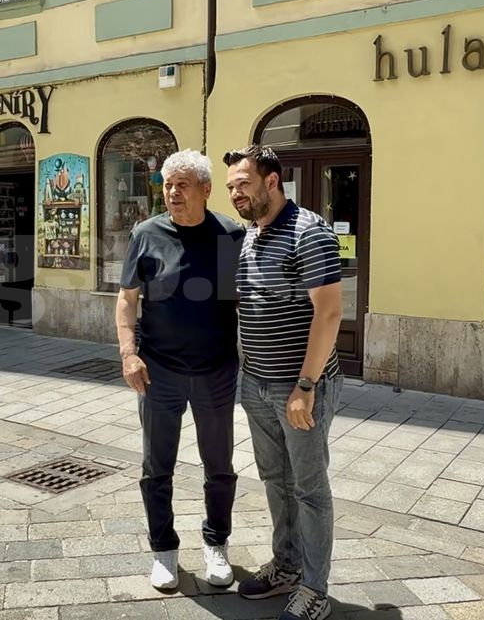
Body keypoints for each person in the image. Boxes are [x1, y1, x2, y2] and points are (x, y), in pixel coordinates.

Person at [115, 149, 245, 591]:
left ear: (206, 190)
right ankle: (164, 551)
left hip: (216, 371)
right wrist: (129, 353)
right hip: (159, 372)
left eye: (182, 184)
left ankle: (216, 543)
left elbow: (241, 300)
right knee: (157, 467)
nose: (172, 192)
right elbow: (127, 299)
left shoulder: (229, 235)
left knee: (219, 466)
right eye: (168, 185)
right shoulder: (146, 234)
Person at [224, 145, 344, 620]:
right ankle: (287, 565)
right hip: (256, 382)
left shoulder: (308, 231)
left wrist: (306, 386)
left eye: (243, 184)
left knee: (309, 489)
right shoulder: (252, 234)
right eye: (231, 186)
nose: (236, 193)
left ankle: (315, 590)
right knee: (275, 479)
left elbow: (329, 312)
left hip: (299, 389)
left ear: (272, 181)